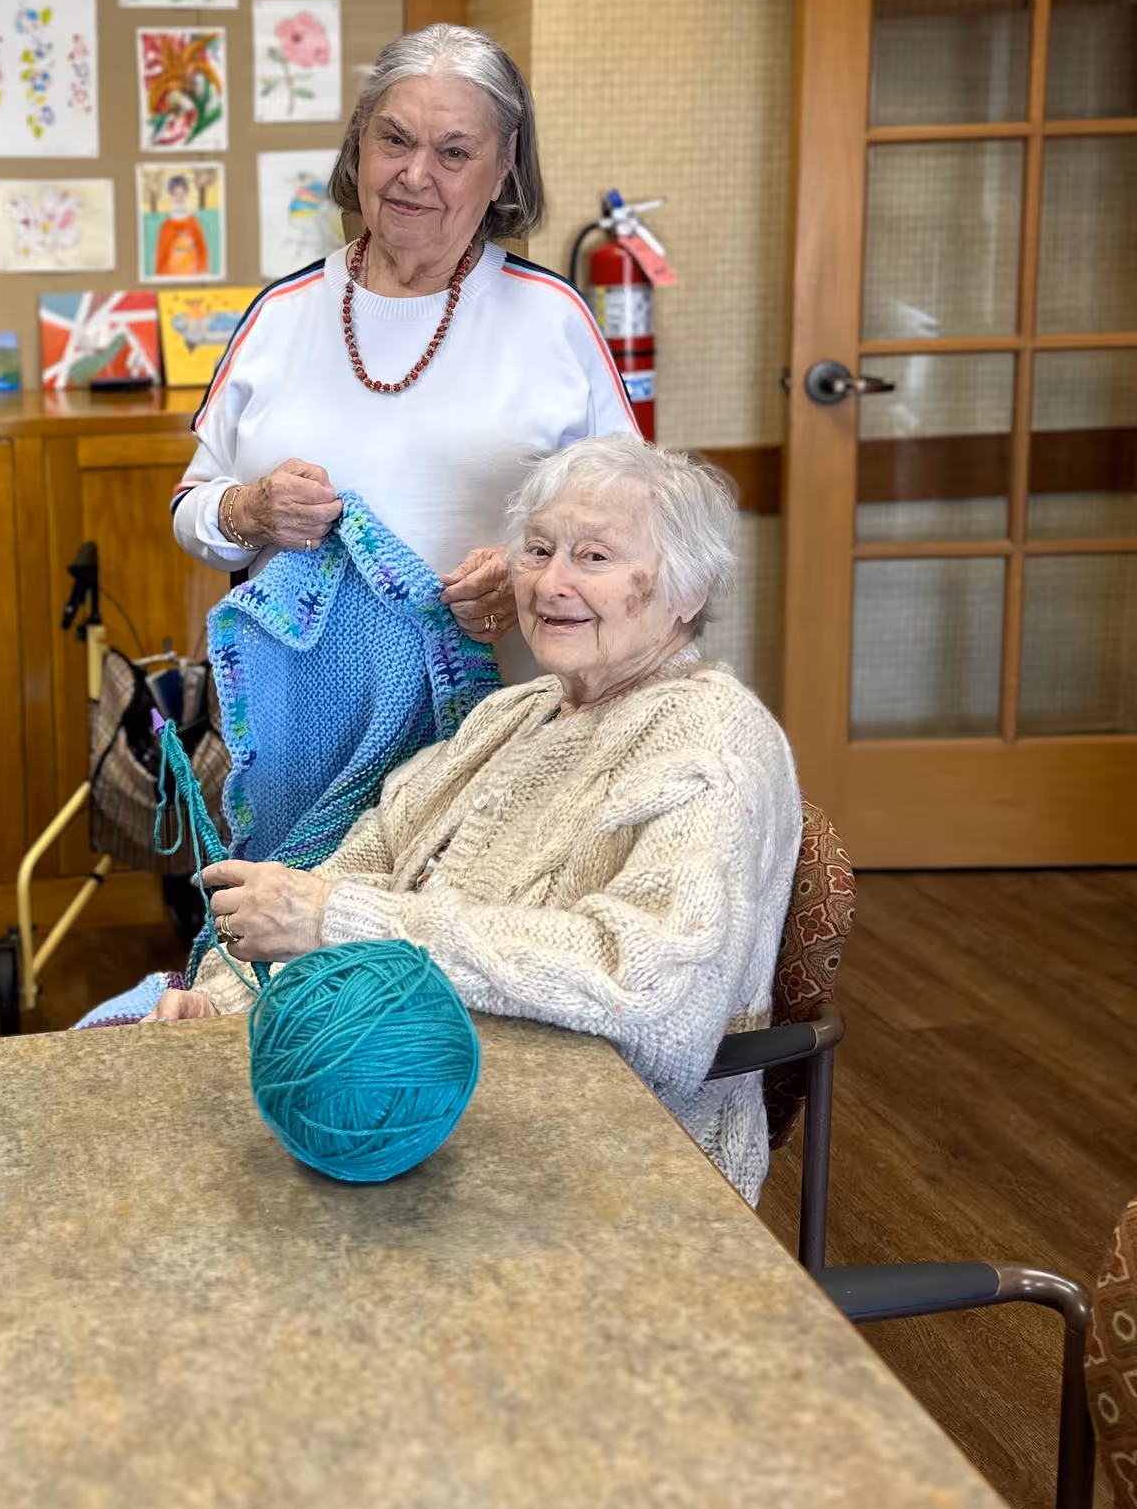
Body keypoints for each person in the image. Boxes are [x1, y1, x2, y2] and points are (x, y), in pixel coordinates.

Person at [153, 437, 801, 1206]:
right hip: (420, 1096)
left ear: (689, 589)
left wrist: (338, 921)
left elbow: (650, 992)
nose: (552, 582)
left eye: (594, 557)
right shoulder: (513, 715)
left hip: (617, 1164)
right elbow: (349, 872)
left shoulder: (712, 746)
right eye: (538, 549)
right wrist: (226, 1007)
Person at [170, 23, 636, 663]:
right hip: (302, 736)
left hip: (500, 736)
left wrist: (530, 577)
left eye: (454, 152)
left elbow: (634, 529)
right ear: (360, 144)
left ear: (503, 167)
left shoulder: (555, 318)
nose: (415, 174)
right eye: (394, 139)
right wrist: (250, 511)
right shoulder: (280, 313)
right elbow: (192, 509)